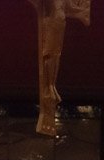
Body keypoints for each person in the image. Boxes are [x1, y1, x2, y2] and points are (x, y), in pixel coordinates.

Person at [28, 0, 91, 135]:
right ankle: (49, 87)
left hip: (59, 25)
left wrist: (82, 11)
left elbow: (72, 7)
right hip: (51, 25)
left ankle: (51, 86)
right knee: (49, 56)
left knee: (55, 56)